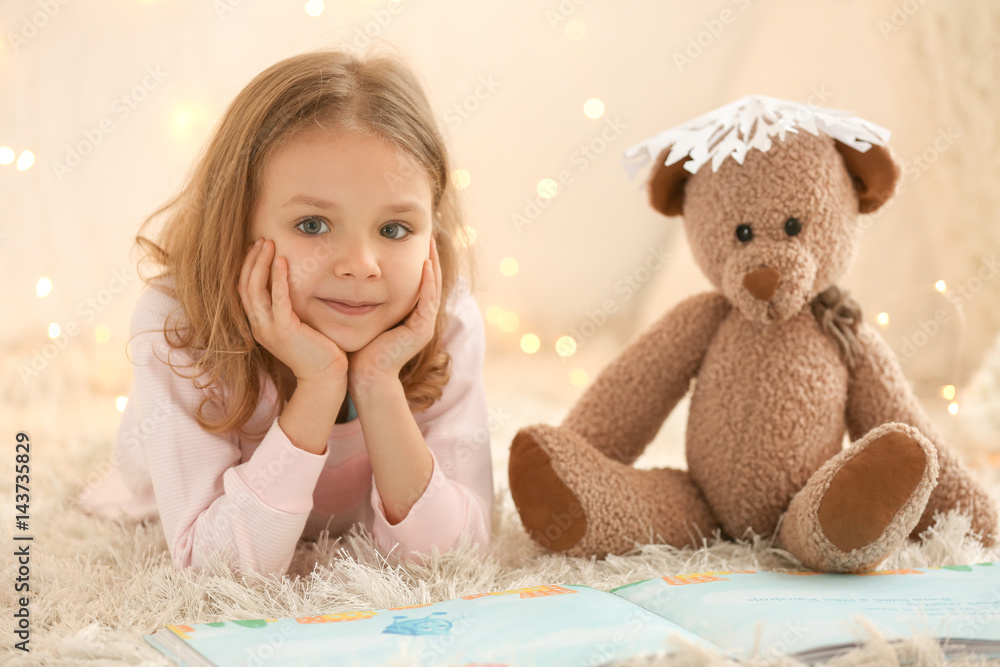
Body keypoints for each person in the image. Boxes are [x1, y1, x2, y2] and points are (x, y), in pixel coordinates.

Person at [77, 49, 494, 577]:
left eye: (394, 230)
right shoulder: (180, 323)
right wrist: (319, 386)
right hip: (153, 499)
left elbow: (456, 559)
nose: (361, 266)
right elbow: (218, 571)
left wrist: (378, 382)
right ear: (238, 219)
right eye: (314, 225)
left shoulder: (446, 317)